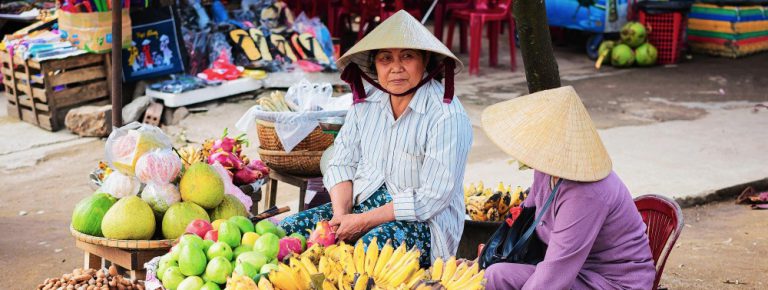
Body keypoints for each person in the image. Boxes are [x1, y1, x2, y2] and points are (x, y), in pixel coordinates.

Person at [279, 11, 473, 266]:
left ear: (425, 60)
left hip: (424, 223)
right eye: (385, 58)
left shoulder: (447, 116)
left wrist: (360, 223)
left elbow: (431, 199)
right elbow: (342, 162)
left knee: (365, 252)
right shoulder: (366, 104)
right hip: (360, 209)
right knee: (288, 230)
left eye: (407, 56)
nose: (396, 68)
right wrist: (340, 219)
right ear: (374, 65)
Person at [480, 86, 656, 289]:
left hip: (611, 282)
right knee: (494, 275)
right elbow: (523, 220)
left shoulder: (586, 194)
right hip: (578, 271)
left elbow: (554, 276)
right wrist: (480, 265)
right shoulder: (546, 170)